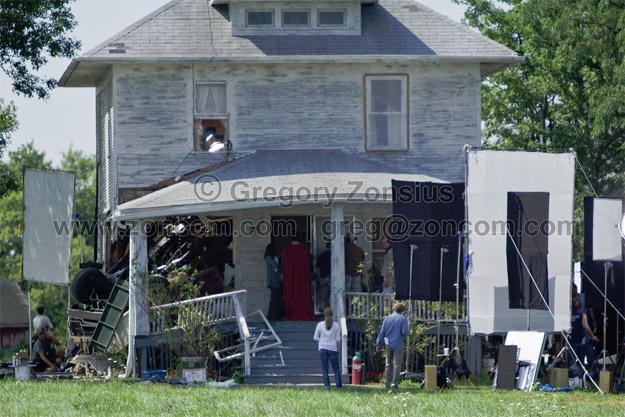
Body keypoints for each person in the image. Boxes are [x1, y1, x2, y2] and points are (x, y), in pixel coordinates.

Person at [281, 235, 315, 321]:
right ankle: (304, 312)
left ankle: (291, 313)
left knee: (291, 295)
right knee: (303, 294)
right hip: (303, 279)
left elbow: (284, 266)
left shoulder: (286, 250)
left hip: (290, 279)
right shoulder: (304, 250)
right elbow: (309, 265)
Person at [376, 302, 409, 391]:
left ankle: (386, 384)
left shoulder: (387, 318)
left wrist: (378, 343)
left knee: (388, 364)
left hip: (388, 344)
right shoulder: (403, 319)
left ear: (394, 309)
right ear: (402, 310)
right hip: (398, 344)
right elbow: (405, 333)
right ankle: (394, 384)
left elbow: (382, 332)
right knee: (397, 365)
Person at [313, 308, 342, 389]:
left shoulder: (319, 325)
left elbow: (315, 338)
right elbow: (338, 339)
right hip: (333, 349)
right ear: (332, 315)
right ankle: (339, 387)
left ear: (324, 315)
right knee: (336, 369)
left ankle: (327, 386)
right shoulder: (336, 325)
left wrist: (322, 341)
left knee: (325, 369)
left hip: (322, 349)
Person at [570, 297, 598, 368]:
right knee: (581, 359)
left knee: (572, 360)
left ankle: (573, 376)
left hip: (572, 339)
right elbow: (586, 326)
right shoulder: (582, 314)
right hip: (580, 339)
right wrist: (592, 336)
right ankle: (579, 377)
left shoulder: (569, 314)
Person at [265, 242, 283, 320]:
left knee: (275, 298)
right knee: (274, 299)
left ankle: (273, 315)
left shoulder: (271, 257)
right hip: (273, 282)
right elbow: (275, 266)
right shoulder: (268, 257)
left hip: (275, 281)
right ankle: (272, 316)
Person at [315, 242, 332, 308]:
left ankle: (326, 313)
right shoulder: (335, 255)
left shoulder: (321, 255)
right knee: (334, 296)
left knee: (325, 297)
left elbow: (317, 268)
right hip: (332, 278)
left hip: (323, 278)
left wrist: (319, 278)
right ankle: (333, 312)